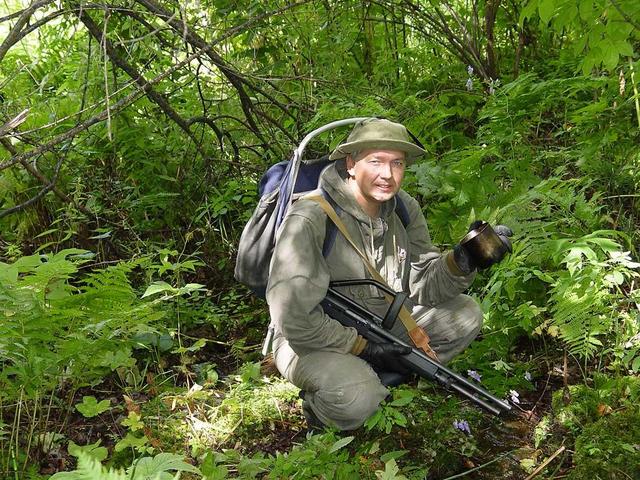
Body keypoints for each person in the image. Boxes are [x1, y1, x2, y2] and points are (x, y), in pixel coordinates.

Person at [265, 118, 511, 430]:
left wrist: (462, 261)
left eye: (397, 163)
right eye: (376, 161)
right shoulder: (309, 219)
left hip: (381, 324)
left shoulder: (403, 209)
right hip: (308, 341)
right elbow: (296, 321)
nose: (387, 174)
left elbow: (422, 285)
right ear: (351, 164)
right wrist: (365, 349)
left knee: (466, 314)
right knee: (356, 398)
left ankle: (378, 373)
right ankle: (325, 406)